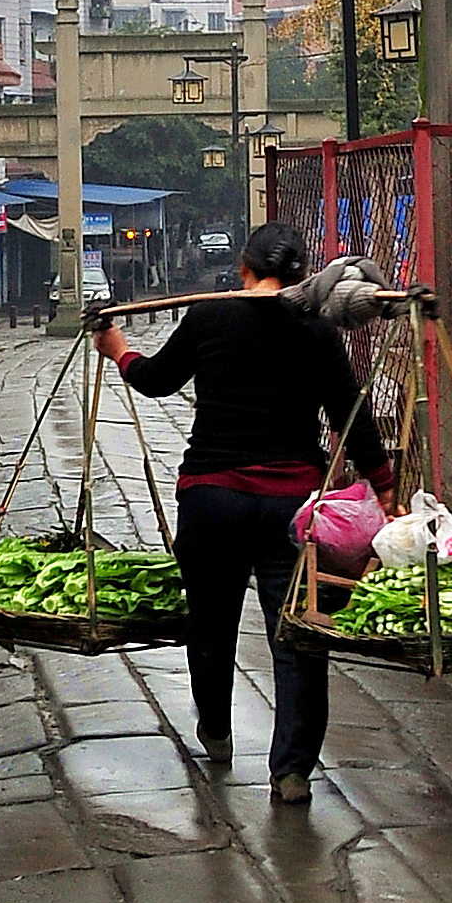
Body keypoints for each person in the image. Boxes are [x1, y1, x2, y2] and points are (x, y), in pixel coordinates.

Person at [95, 221, 391, 801]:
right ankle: (292, 770)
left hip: (211, 500)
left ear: (243, 269)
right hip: (293, 507)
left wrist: (119, 352)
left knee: (210, 621)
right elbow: (352, 419)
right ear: (304, 277)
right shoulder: (318, 329)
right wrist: (384, 487)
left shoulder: (210, 315)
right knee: (298, 633)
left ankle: (217, 730)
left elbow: (156, 379)